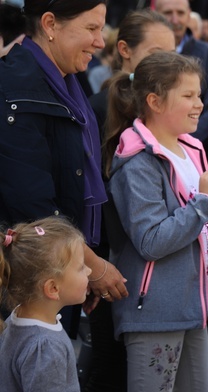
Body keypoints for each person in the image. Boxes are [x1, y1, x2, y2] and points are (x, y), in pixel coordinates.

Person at [0, 0, 128, 338]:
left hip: (56, 271)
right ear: (50, 24)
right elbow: (33, 205)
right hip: (25, 285)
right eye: (91, 28)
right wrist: (92, 267)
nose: (101, 42)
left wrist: (80, 269)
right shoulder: (16, 88)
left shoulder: (66, 83)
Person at [105, 51, 208, 392]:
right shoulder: (137, 163)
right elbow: (151, 241)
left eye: (199, 95)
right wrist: (203, 201)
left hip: (194, 306)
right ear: (155, 102)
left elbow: (204, 235)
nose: (200, 104)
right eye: (188, 96)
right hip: (154, 312)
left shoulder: (191, 150)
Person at [84, 10, 177, 392]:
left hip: (158, 259)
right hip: (111, 256)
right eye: (156, 53)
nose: (166, 65)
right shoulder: (97, 106)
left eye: (173, 54)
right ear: (124, 50)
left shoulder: (166, 110)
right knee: (110, 361)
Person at [0, 217, 91, 392]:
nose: (89, 270)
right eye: (81, 268)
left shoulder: (17, 318)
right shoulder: (45, 347)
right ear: (53, 288)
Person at [155, 0, 208, 167]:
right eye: (168, 13)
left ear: (189, 15)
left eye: (180, 13)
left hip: (201, 152)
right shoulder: (150, 51)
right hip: (156, 151)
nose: (175, 19)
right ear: (156, 14)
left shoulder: (206, 52)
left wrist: (184, 144)